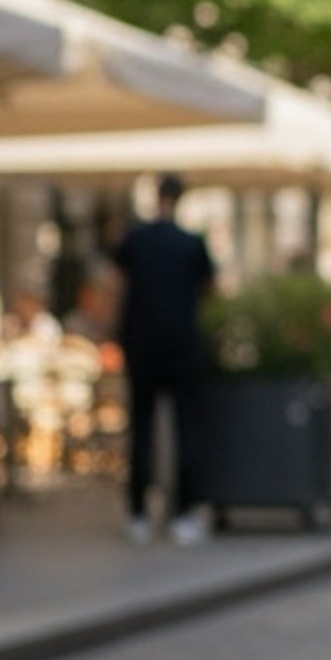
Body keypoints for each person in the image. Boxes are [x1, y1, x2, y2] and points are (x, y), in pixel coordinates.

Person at [111, 175, 215, 546]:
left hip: (142, 347)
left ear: (157, 198)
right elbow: (208, 290)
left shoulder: (135, 240)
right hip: (183, 347)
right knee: (187, 431)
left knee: (142, 431)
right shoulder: (191, 244)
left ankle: (138, 512)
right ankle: (184, 513)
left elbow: (118, 283)